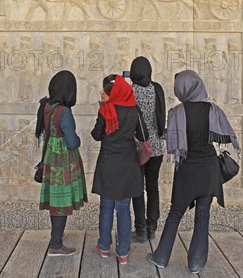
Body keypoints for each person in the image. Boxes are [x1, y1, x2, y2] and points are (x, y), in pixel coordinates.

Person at [148, 70, 241, 273]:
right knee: (202, 215)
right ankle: (196, 262)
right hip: (208, 170)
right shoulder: (212, 110)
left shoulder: (176, 113)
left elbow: (173, 144)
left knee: (175, 213)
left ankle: (161, 257)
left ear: (182, 89)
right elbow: (224, 138)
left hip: (186, 170)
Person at [91, 74, 147, 265]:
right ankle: (123, 252)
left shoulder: (105, 110)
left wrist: (101, 111)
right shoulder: (134, 110)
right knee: (123, 209)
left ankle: (104, 247)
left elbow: (97, 135)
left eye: (104, 91)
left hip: (108, 164)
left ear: (112, 93)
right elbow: (144, 134)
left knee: (106, 206)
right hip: (127, 164)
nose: (101, 93)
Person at [35, 70, 88, 256]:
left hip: (50, 156)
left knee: (56, 200)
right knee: (61, 201)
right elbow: (72, 142)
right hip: (63, 161)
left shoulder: (46, 106)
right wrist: (79, 140)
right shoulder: (64, 112)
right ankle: (56, 244)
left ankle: (56, 236)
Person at [129, 57, 166, 242]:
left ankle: (141, 229)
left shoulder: (130, 91)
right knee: (153, 187)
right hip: (157, 147)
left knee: (137, 188)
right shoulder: (157, 88)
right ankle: (152, 227)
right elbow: (161, 115)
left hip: (137, 147)